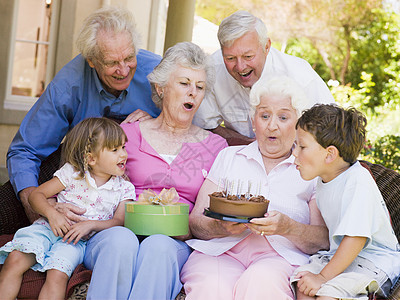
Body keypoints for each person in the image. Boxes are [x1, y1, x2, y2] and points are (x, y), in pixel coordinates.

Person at [4, 6, 161, 300]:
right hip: (75, 182)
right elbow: (25, 150)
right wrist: (42, 208)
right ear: (91, 60)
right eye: (113, 63)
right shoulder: (69, 84)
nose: (125, 69)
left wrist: (156, 122)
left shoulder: (158, 73)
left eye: (130, 58)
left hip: (133, 187)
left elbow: (190, 121)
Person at [181, 76, 329, 299]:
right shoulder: (229, 157)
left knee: (260, 284)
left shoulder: (311, 171)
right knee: (211, 287)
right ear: (253, 121)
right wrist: (221, 228)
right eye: (265, 115)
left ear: (298, 124)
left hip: (279, 258)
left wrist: (288, 228)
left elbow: (321, 240)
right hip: (221, 252)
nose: (272, 125)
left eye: (283, 117)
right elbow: (196, 222)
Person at [120, 41, 228, 300]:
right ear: (161, 87)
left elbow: (211, 212)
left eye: (199, 87)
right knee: (120, 243)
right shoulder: (127, 134)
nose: (193, 92)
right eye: (184, 83)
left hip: (176, 241)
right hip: (125, 229)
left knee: (158, 246)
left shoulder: (216, 147)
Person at [0, 117, 136, 299]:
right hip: (46, 228)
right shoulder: (72, 173)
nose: (123, 155)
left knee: (57, 274)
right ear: (91, 159)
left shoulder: (124, 188)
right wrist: (51, 213)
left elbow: (119, 221)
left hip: (75, 241)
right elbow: (36, 195)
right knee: (15, 260)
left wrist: (90, 225)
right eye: (114, 150)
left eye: (123, 147)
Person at [291, 104, 400, 299]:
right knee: (303, 284)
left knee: (328, 293)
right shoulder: (324, 179)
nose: (294, 153)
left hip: (374, 261)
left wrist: (323, 277)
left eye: (302, 146)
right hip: (342, 256)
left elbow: (355, 238)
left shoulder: (357, 181)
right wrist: (316, 277)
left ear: (330, 154)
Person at [192, 10, 334, 146]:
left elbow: (331, 131)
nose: (240, 67)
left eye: (248, 56)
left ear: (266, 46)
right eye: (230, 58)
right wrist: (252, 147)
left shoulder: (300, 76)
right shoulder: (212, 69)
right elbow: (206, 127)